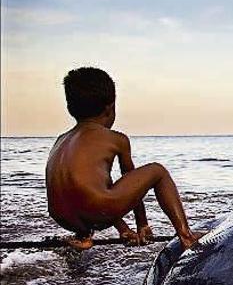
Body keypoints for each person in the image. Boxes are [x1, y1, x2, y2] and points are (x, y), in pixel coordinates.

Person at [45, 67, 203, 250]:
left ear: (70, 108)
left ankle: (84, 236)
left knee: (93, 192)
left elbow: (96, 190)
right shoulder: (116, 139)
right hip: (96, 208)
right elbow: (131, 185)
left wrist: (123, 229)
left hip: (63, 217)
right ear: (110, 107)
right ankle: (186, 235)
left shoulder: (61, 140)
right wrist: (142, 225)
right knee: (157, 171)